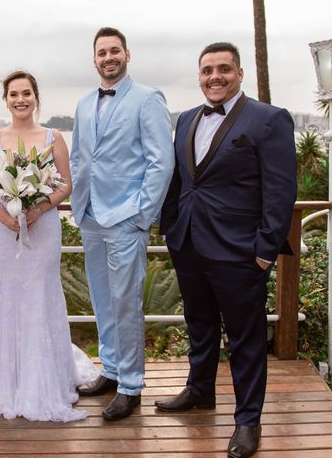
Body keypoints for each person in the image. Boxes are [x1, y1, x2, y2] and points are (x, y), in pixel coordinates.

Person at [157, 42, 297, 458]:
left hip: (239, 251)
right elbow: (179, 180)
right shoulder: (184, 120)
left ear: (239, 73)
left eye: (223, 69)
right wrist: (170, 229)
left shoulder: (269, 120)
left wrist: (264, 249)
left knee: (246, 338)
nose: (214, 77)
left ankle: (247, 420)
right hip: (188, 243)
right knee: (198, 323)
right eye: (206, 71)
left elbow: (280, 189)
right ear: (199, 76)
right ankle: (200, 390)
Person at [0, 70, 98, 422]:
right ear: (6, 99)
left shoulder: (53, 137)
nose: (20, 100)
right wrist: (4, 215)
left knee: (40, 296)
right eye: (14, 94)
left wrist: (36, 209)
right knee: (4, 295)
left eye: (26, 93)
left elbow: (65, 185)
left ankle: (44, 381)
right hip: (2, 231)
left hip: (41, 230)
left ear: (36, 96)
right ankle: (5, 381)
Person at [70, 27, 175, 420]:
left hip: (127, 219)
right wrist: (81, 202)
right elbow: (82, 159)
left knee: (126, 303)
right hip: (91, 217)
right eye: (102, 52)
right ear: (94, 58)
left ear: (127, 55)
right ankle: (111, 370)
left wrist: (141, 216)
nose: (108, 57)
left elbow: (161, 161)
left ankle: (131, 385)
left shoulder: (148, 99)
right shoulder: (82, 104)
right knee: (101, 299)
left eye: (115, 50)